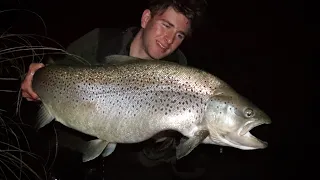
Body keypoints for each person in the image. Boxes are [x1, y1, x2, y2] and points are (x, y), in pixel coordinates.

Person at [21, 0, 208, 177]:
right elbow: (56, 70)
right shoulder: (100, 40)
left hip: (126, 165)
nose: (169, 40)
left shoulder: (180, 75)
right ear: (145, 19)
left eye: (179, 35)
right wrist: (34, 79)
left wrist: (162, 140)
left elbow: (164, 156)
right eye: (166, 25)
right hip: (68, 153)